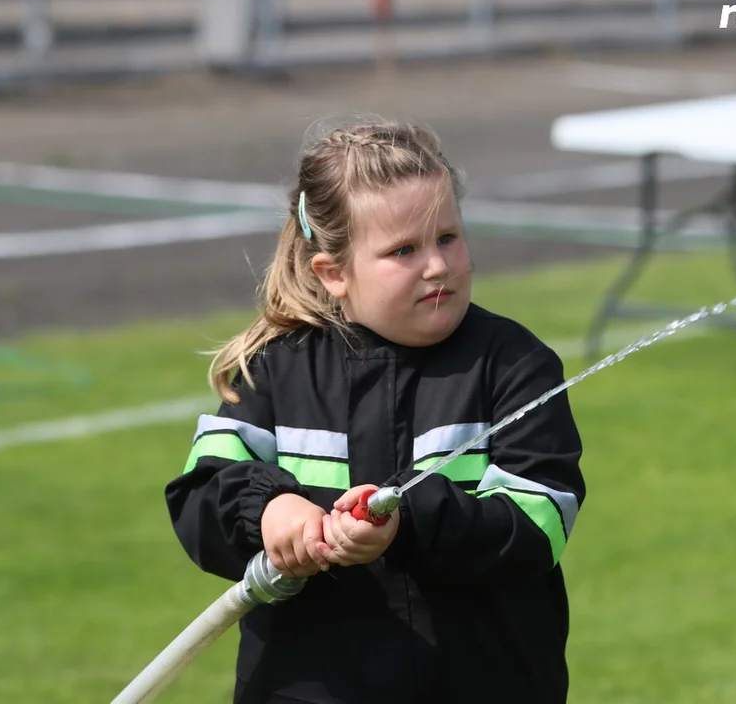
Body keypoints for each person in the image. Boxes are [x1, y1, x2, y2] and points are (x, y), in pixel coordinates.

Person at [165, 120, 587, 704]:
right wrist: (268, 510)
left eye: (448, 237)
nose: (437, 265)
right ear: (333, 272)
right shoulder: (275, 370)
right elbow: (200, 494)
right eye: (403, 251)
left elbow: (539, 524)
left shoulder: (512, 365)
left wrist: (406, 520)